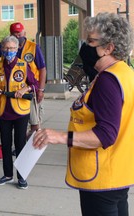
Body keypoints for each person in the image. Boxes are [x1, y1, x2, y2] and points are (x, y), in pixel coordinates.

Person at [33, 12, 134, 216]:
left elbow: (105, 135)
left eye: (90, 41)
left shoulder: (108, 81)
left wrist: (60, 137)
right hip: (118, 175)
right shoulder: (124, 73)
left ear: (108, 48)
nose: (85, 47)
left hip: (102, 179)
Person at [0, 35, 38, 189]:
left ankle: (22, 176)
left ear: (17, 49)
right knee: (5, 144)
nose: (9, 51)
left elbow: (34, 84)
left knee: (20, 145)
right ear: (2, 49)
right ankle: (8, 174)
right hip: (3, 110)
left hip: (20, 112)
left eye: (12, 48)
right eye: (6, 48)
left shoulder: (24, 65)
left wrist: (26, 88)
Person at [0, 22, 47, 136]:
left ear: (24, 32)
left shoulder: (33, 47)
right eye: (14, 33)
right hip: (9, 95)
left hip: (30, 90)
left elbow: (42, 69)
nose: (18, 35)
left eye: (19, 33)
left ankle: (28, 151)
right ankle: (19, 148)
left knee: (35, 123)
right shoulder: (5, 46)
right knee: (12, 129)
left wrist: (40, 90)